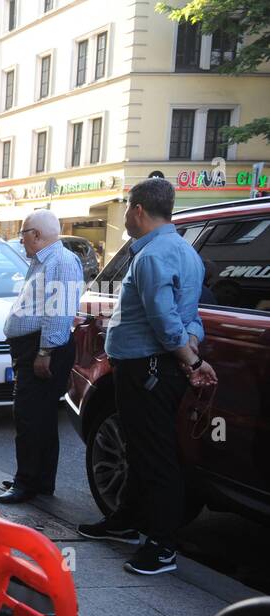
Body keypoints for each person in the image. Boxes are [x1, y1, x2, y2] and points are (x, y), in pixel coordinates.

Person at [76, 178, 217, 575]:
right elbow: (191, 317)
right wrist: (191, 347)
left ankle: (161, 546)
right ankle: (127, 522)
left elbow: (164, 319)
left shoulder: (153, 255)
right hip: (152, 367)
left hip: (149, 369)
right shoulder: (185, 252)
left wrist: (189, 360)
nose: (125, 217)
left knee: (155, 457)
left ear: (138, 210)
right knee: (138, 450)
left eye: (126, 210)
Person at [0, 209, 85, 505]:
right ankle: (36, 479)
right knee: (40, 417)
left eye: (23, 233)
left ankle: (27, 482)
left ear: (36, 235)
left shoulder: (61, 261)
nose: (21, 239)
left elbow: (58, 312)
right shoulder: (42, 261)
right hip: (33, 346)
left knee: (29, 416)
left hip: (43, 348)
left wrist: (45, 351)